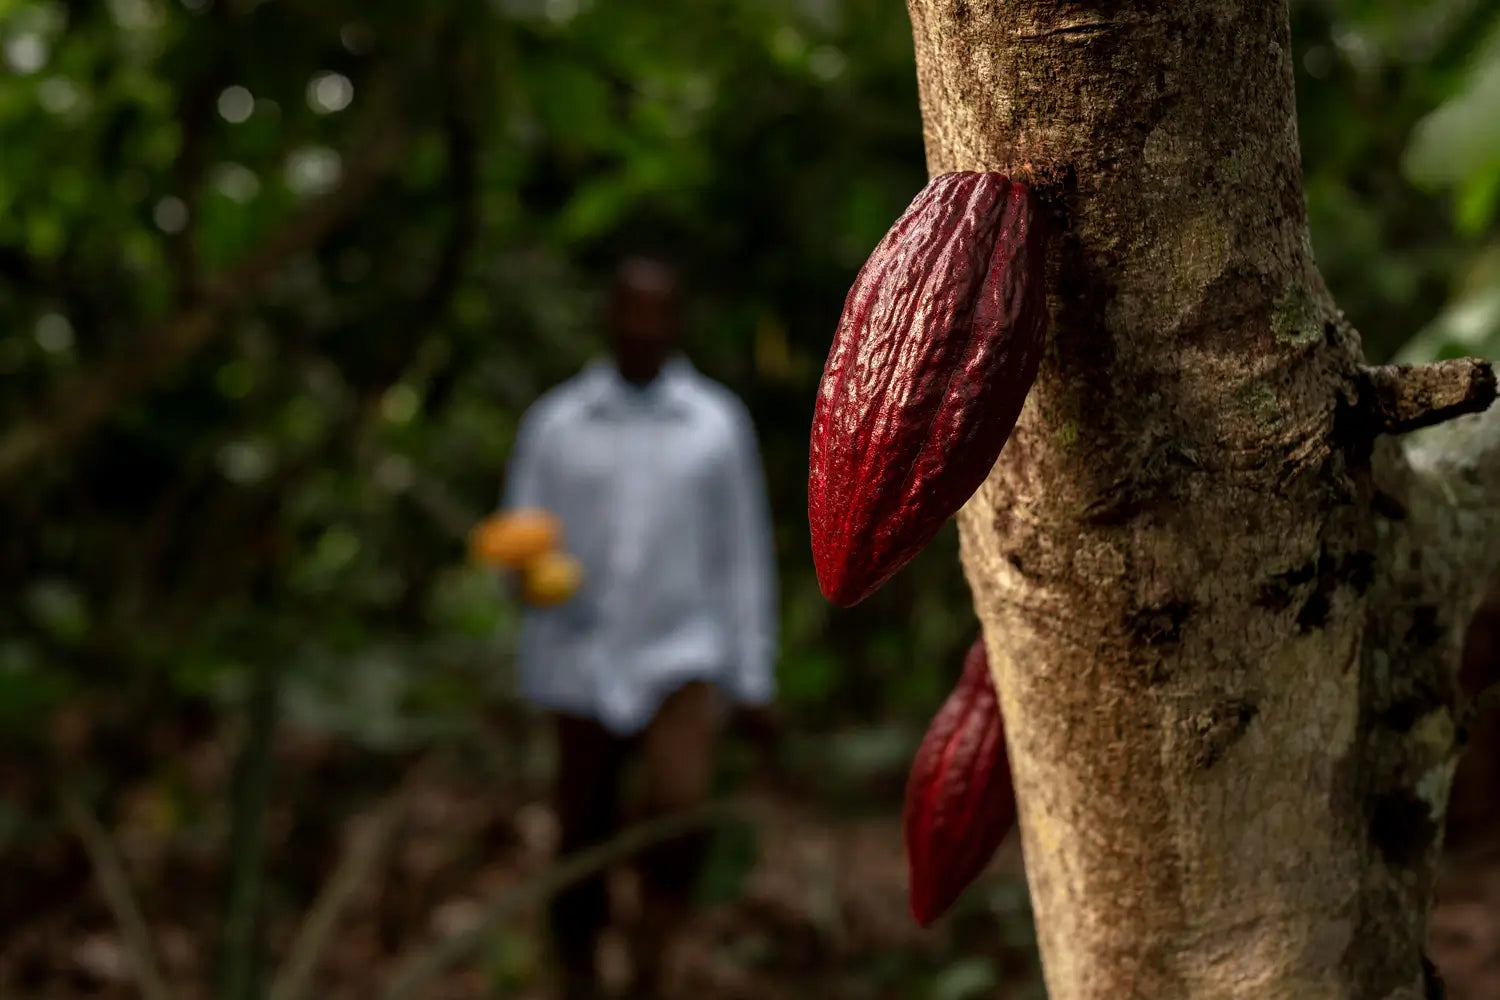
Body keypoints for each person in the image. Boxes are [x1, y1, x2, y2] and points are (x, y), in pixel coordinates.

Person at [499, 256, 779, 999]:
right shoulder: (556, 424)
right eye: (632, 310)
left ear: (677, 322)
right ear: (610, 316)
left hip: (682, 659)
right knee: (581, 830)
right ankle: (577, 969)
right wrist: (527, 574)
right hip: (577, 659)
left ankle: (654, 964)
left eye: (660, 313)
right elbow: (518, 537)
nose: (644, 328)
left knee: (675, 825)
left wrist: (753, 676)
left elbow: (742, 554)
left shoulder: (716, 425)